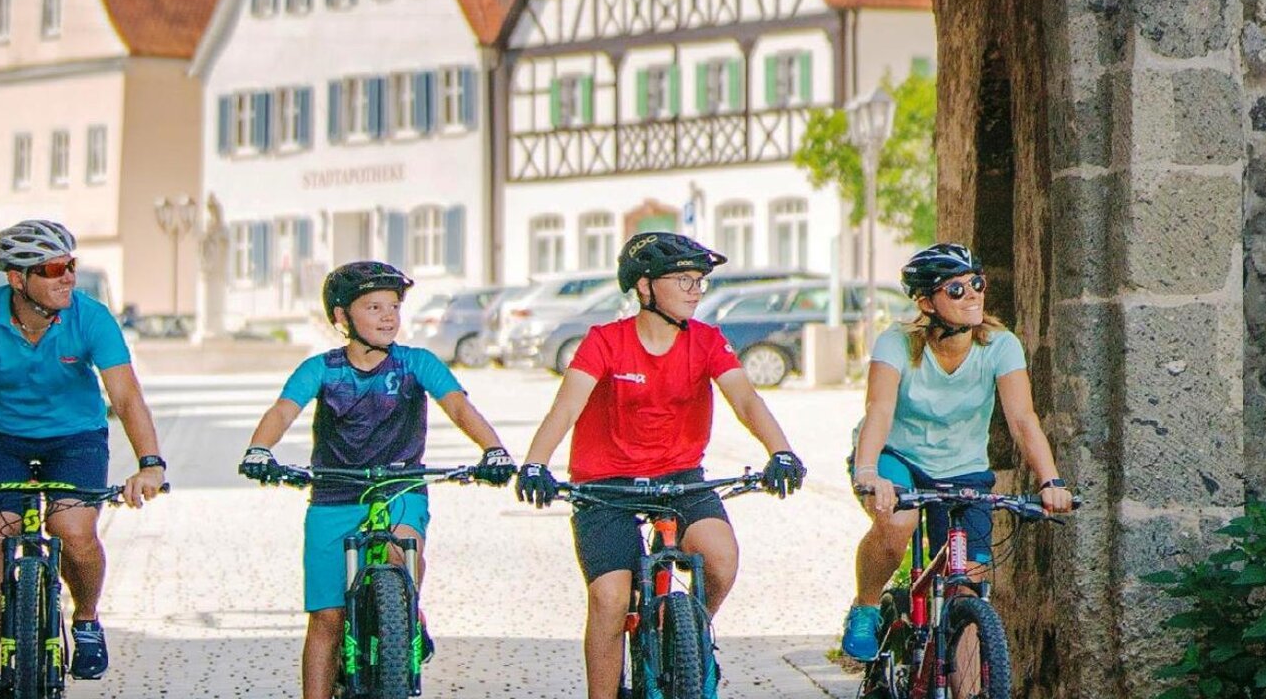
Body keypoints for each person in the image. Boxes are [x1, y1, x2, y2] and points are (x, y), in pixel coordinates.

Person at [513, 232, 806, 699]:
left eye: (699, 281)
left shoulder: (707, 341)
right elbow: (565, 409)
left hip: (679, 478)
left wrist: (781, 451)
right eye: (684, 279)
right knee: (610, 599)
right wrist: (535, 464)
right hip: (605, 484)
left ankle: (686, 636)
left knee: (721, 558)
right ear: (645, 287)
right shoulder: (605, 342)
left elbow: (746, 401)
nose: (695, 289)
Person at [0, 219, 168, 699]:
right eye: (54, 268)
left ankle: (85, 619)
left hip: (75, 438)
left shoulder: (91, 317)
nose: (69, 277)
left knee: (73, 531)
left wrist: (150, 463)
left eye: (72, 265)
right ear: (17, 279)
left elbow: (125, 395)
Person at [238, 260, 517, 699]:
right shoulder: (322, 369)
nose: (388, 316)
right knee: (327, 619)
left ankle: (407, 611)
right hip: (334, 495)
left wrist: (493, 450)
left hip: (400, 486)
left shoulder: (415, 364)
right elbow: (282, 411)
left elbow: (460, 407)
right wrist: (260, 449)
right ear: (341, 317)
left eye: (393, 306)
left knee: (401, 547)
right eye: (373, 307)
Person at [840, 243, 1075, 663]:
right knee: (898, 525)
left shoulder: (1000, 345)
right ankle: (866, 606)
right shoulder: (897, 342)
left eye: (977, 283)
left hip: (964, 470)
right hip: (898, 457)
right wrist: (869, 471)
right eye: (956, 289)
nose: (973, 295)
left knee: (968, 586)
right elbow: (879, 409)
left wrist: (1050, 480)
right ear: (927, 302)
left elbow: (1022, 419)